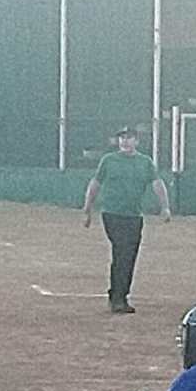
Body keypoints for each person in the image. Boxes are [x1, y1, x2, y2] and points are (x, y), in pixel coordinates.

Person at [82, 126, 171, 314]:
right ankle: (117, 298)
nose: (125, 141)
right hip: (112, 214)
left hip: (134, 216)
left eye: (129, 138)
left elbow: (157, 183)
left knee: (128, 256)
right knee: (122, 251)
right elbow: (96, 183)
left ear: (136, 142)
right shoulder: (109, 160)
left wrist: (165, 206)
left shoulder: (145, 162)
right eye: (122, 138)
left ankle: (120, 294)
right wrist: (88, 207)